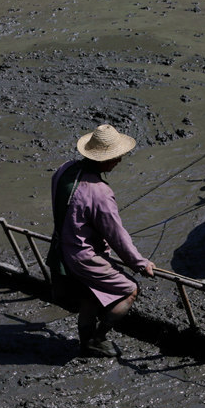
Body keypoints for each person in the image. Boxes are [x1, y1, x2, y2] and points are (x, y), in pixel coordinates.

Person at [46, 124, 155, 358]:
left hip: (60, 248)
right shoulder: (100, 192)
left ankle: (86, 343)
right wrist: (139, 263)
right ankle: (98, 337)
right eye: (116, 157)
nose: (119, 160)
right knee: (129, 290)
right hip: (83, 256)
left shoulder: (64, 170)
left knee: (89, 295)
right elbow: (116, 235)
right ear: (104, 159)